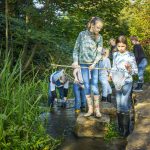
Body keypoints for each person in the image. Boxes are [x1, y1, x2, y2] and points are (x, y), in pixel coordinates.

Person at [72, 16, 103, 118]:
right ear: (92, 25)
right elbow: (76, 49)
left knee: (94, 85)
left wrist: (94, 63)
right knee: (86, 85)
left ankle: (97, 110)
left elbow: (99, 53)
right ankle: (90, 109)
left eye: (100, 28)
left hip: (94, 64)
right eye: (98, 27)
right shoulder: (82, 34)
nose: (99, 30)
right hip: (83, 64)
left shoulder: (99, 37)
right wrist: (75, 62)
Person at [111, 35, 138, 137]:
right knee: (118, 105)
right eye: (119, 46)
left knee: (124, 104)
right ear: (116, 46)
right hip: (117, 82)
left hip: (127, 82)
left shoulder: (130, 55)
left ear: (126, 45)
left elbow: (135, 71)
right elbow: (114, 67)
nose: (121, 48)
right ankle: (120, 128)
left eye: (123, 46)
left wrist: (130, 68)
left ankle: (126, 131)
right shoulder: (115, 55)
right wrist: (110, 74)